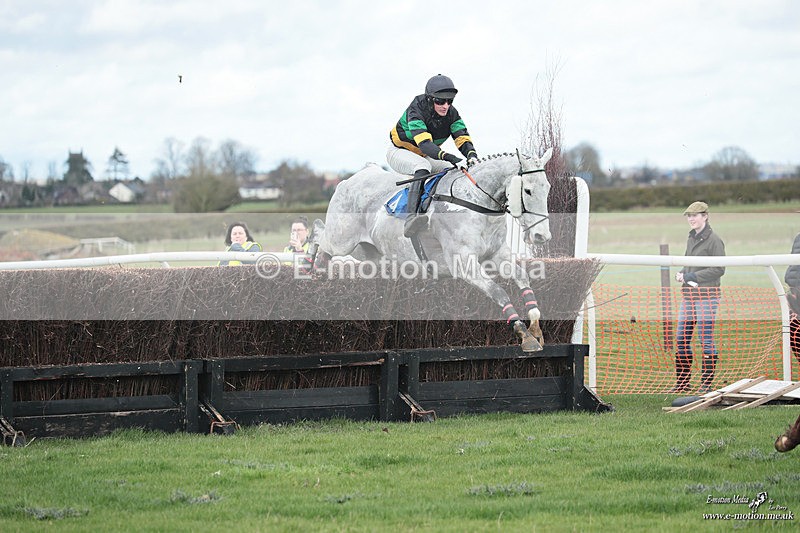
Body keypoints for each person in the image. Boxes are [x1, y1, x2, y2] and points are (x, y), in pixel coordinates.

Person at [387, 74, 479, 237]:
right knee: (423, 166)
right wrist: (450, 156)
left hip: (424, 155)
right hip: (400, 152)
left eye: (449, 101)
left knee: (453, 170)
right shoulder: (416, 108)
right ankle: (411, 218)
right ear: (430, 99)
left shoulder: (452, 114)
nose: (445, 106)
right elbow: (425, 144)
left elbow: (461, 137)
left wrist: (471, 155)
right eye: (440, 101)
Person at [670, 201, 726, 394]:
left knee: (706, 339)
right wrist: (682, 272)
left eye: (695, 215)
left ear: (705, 216)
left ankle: (706, 384)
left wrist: (692, 276)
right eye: (689, 216)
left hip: (707, 297)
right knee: (681, 339)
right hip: (689, 297)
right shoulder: (691, 238)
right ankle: (683, 383)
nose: (691, 219)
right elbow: (689, 262)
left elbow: (719, 269)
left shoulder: (715, 240)